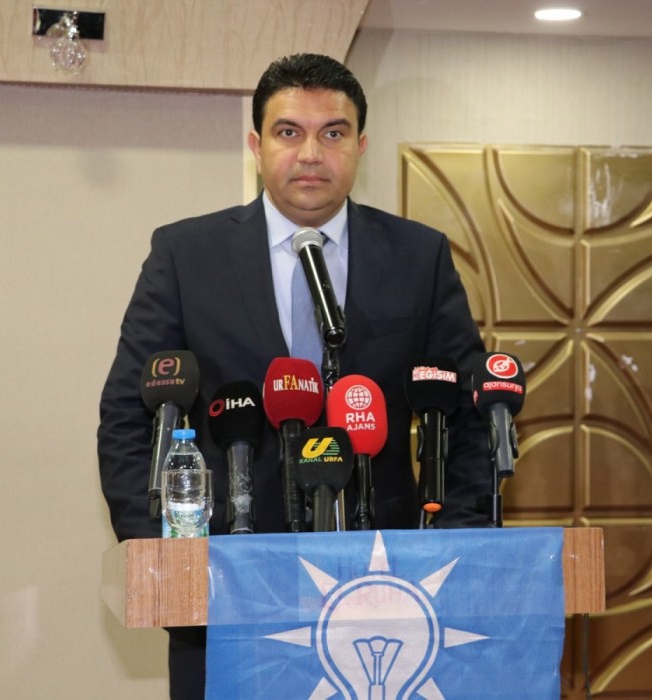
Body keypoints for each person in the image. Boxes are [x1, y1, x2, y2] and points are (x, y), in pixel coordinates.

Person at [97, 53, 491, 699]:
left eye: (333, 132)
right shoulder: (187, 255)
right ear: (257, 146)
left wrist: (455, 544)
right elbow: (130, 414)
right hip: (225, 583)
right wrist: (161, 557)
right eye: (289, 132)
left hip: (387, 583)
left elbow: (465, 410)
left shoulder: (418, 256)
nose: (311, 153)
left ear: (361, 146)